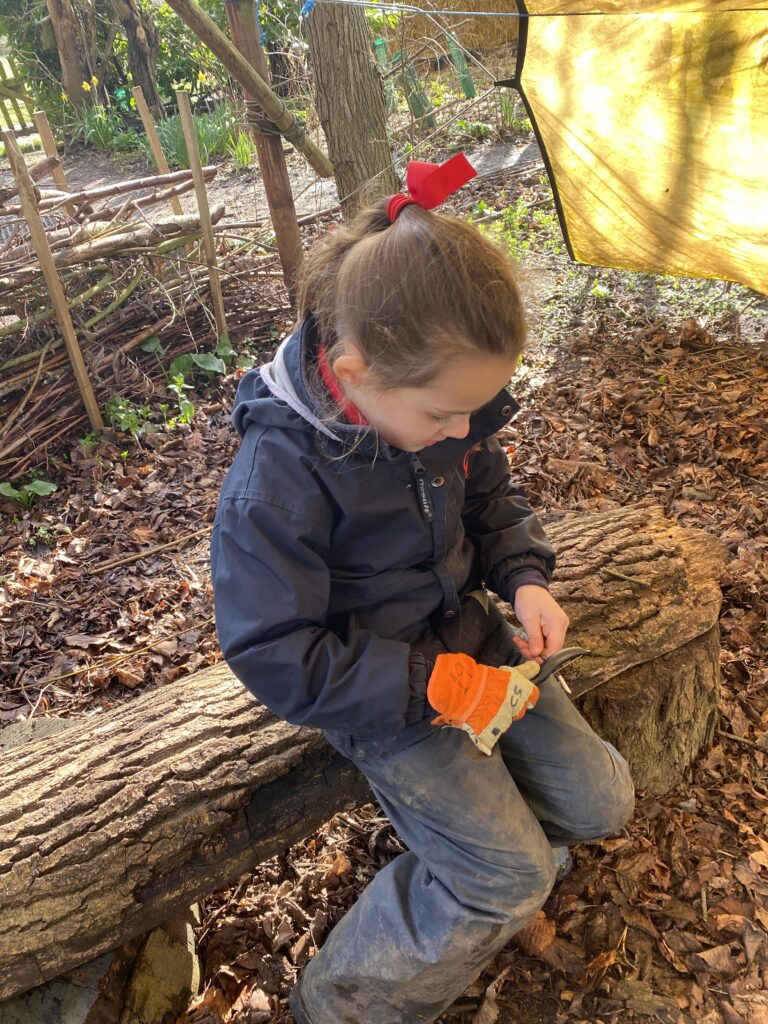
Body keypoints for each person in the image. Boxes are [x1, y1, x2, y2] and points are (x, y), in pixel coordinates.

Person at [210, 156, 635, 1024]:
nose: (462, 431)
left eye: (474, 414)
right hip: (383, 692)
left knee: (602, 802)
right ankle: (336, 1003)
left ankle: (497, 863)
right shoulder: (277, 476)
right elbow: (271, 649)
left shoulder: (436, 402)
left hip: (471, 641)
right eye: (445, 416)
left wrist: (522, 581)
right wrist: (422, 686)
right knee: (508, 875)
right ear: (358, 370)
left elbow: (487, 494)